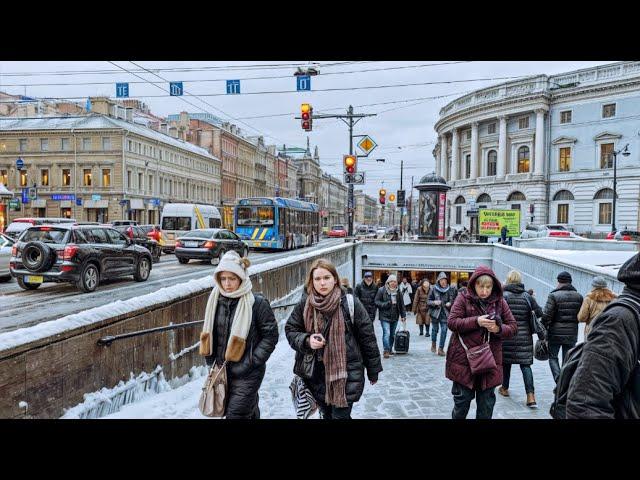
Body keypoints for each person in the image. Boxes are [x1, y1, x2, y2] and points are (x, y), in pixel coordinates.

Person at [285, 258, 382, 419]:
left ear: (335, 279)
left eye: (326, 278)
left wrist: (373, 370)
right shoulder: (305, 304)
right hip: (316, 376)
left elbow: (367, 338)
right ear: (312, 281)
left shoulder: (350, 303)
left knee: (340, 416)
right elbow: (290, 330)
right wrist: (307, 340)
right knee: (327, 415)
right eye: (317, 279)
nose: (322, 283)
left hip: (345, 375)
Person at [199, 250, 279, 419]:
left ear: (242, 278)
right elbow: (210, 333)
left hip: (248, 373)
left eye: (232, 279)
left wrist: (252, 361)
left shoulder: (256, 303)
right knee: (246, 411)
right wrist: (211, 361)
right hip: (222, 371)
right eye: (223, 279)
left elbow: (270, 336)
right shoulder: (215, 301)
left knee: (235, 414)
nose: (227, 284)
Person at [566, 252, 640, 418]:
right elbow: (586, 403)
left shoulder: (590, 299)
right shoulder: (618, 310)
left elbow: (581, 317)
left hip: (593, 334)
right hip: (609, 339)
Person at [446, 265, 517, 419]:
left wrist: (498, 329)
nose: (484, 291)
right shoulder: (463, 298)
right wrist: (476, 321)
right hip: (464, 361)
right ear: (474, 284)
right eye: (481, 286)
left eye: (488, 287)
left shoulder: (500, 302)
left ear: (493, 286)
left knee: (486, 409)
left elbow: (512, 328)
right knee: (461, 406)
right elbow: (452, 322)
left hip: (489, 362)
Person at [500, 270, 544, 407]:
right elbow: (540, 312)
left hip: (507, 335)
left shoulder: (504, 296)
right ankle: (530, 396)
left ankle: (505, 388)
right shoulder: (527, 296)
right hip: (524, 337)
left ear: (507, 280)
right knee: (525, 365)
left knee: (506, 362)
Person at [541, 271, 584, 383]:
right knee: (567, 359)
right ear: (570, 282)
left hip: (555, 333)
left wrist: (543, 328)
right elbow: (581, 315)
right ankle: (565, 382)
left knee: (553, 357)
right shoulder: (579, 297)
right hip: (571, 333)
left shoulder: (553, 295)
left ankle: (558, 379)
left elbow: (546, 316)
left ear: (559, 281)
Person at [374, 274, 407, 358]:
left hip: (395, 316)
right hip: (384, 316)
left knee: (392, 334)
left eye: (395, 281)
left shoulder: (398, 291)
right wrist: (387, 304)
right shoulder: (381, 290)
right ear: (388, 282)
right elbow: (376, 302)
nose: (393, 283)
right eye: (391, 281)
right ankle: (386, 350)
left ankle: (390, 349)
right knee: (387, 333)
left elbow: (401, 305)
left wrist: (403, 315)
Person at [577, 276, 617, 340]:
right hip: (608, 331)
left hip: (592, 330)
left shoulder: (589, 298)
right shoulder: (614, 298)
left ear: (593, 286)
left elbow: (582, 318)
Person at [428, 272, 457, 356]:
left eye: (445, 280)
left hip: (445, 313)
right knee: (434, 330)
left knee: (444, 330)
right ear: (438, 281)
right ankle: (433, 343)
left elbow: (455, 300)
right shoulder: (433, 289)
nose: (444, 282)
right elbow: (428, 301)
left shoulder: (451, 289)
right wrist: (434, 302)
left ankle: (441, 348)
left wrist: (450, 303)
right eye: (442, 280)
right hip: (435, 313)